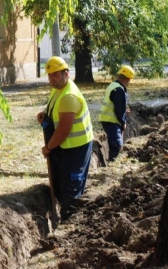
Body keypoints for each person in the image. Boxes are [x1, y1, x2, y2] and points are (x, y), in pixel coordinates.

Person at [37, 56, 93, 221]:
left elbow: (63, 130)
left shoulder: (69, 97)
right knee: (60, 183)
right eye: (49, 75)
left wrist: (49, 148)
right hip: (64, 148)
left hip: (76, 149)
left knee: (71, 189)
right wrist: (45, 115)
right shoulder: (58, 89)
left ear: (66, 73)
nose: (52, 79)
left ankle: (71, 222)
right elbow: (55, 111)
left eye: (55, 74)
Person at [98, 65, 134, 162]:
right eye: (129, 80)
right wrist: (123, 122)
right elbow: (118, 110)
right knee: (117, 145)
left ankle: (111, 161)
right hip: (111, 121)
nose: (129, 82)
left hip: (106, 119)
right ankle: (112, 163)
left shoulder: (113, 85)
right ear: (127, 79)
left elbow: (115, 105)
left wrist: (123, 111)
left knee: (114, 143)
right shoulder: (119, 90)